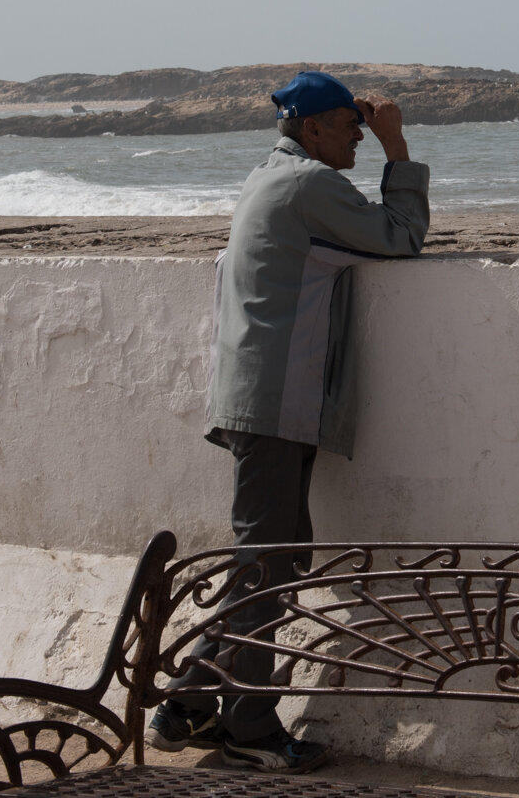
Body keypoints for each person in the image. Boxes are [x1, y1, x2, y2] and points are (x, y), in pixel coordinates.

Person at [147, 70, 429, 774]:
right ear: (311, 129)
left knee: (267, 562)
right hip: (275, 400)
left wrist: (376, 137)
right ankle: (247, 725)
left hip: (261, 395)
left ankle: (189, 702)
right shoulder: (309, 184)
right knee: (268, 566)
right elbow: (402, 236)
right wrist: (400, 150)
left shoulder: (272, 175)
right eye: (348, 123)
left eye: (364, 125)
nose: (360, 133)